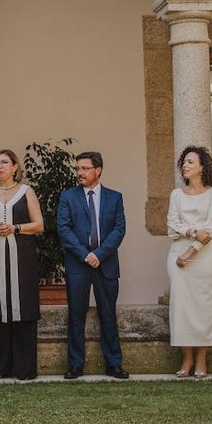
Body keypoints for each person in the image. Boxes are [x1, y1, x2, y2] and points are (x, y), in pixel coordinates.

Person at [0, 149, 43, 380]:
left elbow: (39, 225)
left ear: (15, 167)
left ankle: (24, 368)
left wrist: (15, 228)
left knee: (23, 304)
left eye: (4, 162)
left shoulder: (26, 192)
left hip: (22, 257)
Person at [58, 151, 128, 380]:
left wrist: (99, 254)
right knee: (76, 315)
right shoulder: (68, 197)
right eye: (77, 169)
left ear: (98, 170)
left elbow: (119, 229)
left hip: (106, 264)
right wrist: (86, 255)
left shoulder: (114, 197)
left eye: (85, 168)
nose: (80, 173)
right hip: (78, 264)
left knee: (108, 314)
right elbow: (64, 229)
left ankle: (114, 364)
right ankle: (76, 364)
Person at [166, 146, 212, 379]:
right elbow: (172, 225)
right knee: (182, 309)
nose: (185, 166)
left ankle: (201, 358)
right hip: (177, 256)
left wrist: (190, 252)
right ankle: (186, 358)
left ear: (202, 167)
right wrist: (192, 231)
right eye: (184, 162)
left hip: (205, 257)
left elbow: (211, 228)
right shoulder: (176, 195)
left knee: (205, 307)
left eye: (190, 162)